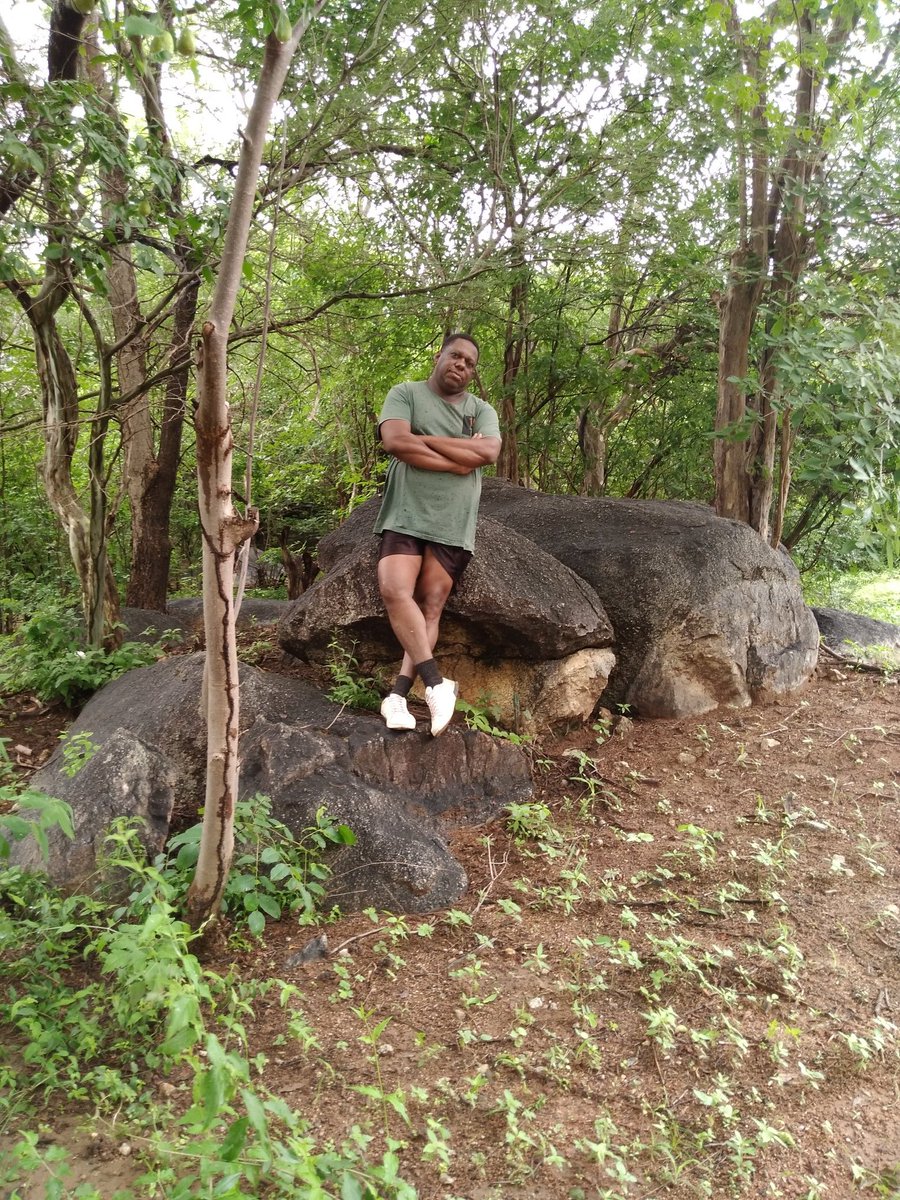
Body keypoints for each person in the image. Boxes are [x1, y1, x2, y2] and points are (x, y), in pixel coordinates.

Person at [374, 332, 502, 735]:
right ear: (439, 355)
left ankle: (396, 696)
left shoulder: (481, 410)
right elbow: (396, 441)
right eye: (455, 356)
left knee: (431, 605)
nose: (461, 365)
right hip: (406, 512)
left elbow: (488, 453)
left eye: (469, 363)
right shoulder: (406, 393)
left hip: (452, 519)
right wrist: (457, 457)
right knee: (394, 590)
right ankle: (435, 682)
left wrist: (423, 437)